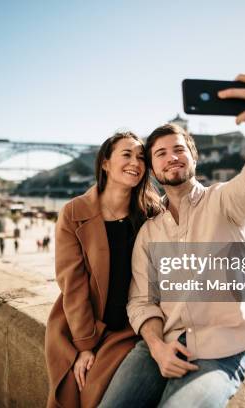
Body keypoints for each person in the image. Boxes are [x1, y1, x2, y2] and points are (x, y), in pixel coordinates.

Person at [100, 74, 245, 407]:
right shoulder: (149, 231)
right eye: (160, 153)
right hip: (156, 345)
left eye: (179, 150)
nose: (171, 157)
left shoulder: (224, 203)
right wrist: (157, 346)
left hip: (219, 352)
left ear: (194, 158)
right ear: (153, 169)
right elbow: (141, 301)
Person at [45, 131, 163, 408]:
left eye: (141, 157)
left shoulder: (152, 213)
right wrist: (85, 346)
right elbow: (72, 286)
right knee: (74, 391)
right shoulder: (74, 212)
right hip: (79, 326)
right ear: (105, 163)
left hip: (127, 328)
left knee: (96, 395)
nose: (136, 162)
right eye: (126, 154)